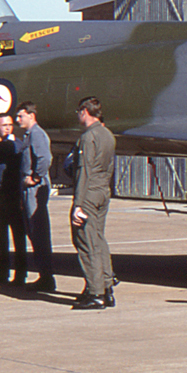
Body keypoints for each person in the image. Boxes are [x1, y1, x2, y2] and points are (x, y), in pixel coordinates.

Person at [70, 96, 117, 310]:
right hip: (102, 192)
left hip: (88, 193)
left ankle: (96, 292)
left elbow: (84, 171)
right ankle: (106, 287)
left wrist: (77, 204)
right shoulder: (107, 135)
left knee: (86, 242)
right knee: (98, 239)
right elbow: (109, 167)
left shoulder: (88, 137)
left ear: (84, 111)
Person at [16, 101, 55, 291]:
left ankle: (47, 277)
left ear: (31, 115)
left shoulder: (37, 134)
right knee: (33, 231)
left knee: (38, 231)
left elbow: (45, 158)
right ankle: (44, 274)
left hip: (34, 189)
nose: (18, 120)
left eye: (20, 116)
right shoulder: (29, 135)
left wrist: (36, 177)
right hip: (27, 188)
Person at [0, 112, 27, 286]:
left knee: (18, 234)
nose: (8, 128)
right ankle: (1, 272)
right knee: (0, 234)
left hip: (13, 193)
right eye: (4, 125)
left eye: (10, 125)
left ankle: (21, 273)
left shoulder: (17, 145)